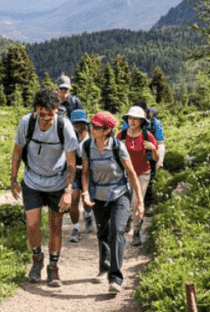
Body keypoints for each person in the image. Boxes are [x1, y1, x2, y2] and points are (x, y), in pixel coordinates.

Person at [10, 87, 79, 287]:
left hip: (57, 182)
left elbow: (71, 163)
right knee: (31, 223)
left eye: (51, 114)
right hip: (32, 180)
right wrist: (13, 179)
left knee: (55, 226)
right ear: (36, 110)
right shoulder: (26, 123)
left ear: (56, 110)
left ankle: (53, 267)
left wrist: (67, 191)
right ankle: (37, 259)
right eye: (42, 115)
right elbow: (16, 152)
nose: (46, 119)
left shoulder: (64, 127)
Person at [80, 111, 143, 294]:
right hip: (98, 194)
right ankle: (104, 267)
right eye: (92, 125)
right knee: (103, 232)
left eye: (97, 127)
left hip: (119, 194)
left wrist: (139, 202)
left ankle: (115, 278)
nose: (92, 129)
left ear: (107, 130)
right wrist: (85, 192)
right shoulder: (86, 146)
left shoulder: (118, 147)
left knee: (117, 231)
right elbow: (84, 173)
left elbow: (131, 175)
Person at [119, 105, 159, 246]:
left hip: (142, 173)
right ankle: (128, 219)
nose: (132, 121)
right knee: (125, 201)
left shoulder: (147, 136)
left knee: (137, 202)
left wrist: (153, 149)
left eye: (136, 119)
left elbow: (155, 158)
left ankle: (136, 232)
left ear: (142, 121)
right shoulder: (122, 135)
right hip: (126, 174)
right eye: (130, 118)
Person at [120, 101, 166, 212]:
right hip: (131, 157)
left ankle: (147, 204)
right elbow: (122, 139)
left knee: (148, 183)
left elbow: (160, 143)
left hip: (149, 157)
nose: (133, 120)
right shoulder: (127, 123)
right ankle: (131, 207)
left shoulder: (154, 122)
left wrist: (160, 160)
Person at [67, 109, 94, 242]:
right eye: (75, 123)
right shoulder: (69, 137)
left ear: (85, 123)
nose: (78, 126)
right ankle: (75, 228)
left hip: (89, 172)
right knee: (74, 198)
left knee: (86, 199)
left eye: (80, 123)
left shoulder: (92, 136)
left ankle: (88, 214)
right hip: (74, 171)